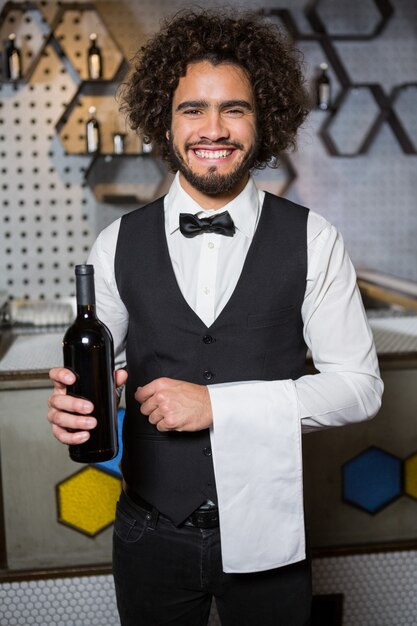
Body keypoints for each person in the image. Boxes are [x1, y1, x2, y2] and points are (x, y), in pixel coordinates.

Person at [47, 9, 383, 626]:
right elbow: (102, 373)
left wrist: (217, 406)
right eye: (192, 109)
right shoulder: (116, 244)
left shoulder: (315, 238)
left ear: (264, 120)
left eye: (235, 108)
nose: (214, 128)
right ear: (164, 120)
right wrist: (76, 406)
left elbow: (360, 390)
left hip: (271, 538)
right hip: (149, 535)